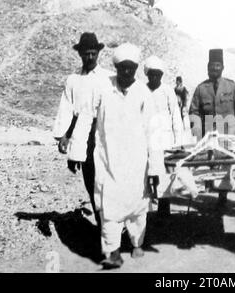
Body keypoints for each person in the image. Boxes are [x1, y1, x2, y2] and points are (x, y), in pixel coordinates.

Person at [68, 43, 163, 269]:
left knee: (137, 207)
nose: (126, 72)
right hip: (107, 159)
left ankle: (137, 242)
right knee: (108, 207)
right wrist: (76, 151)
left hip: (136, 162)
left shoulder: (143, 93)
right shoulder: (102, 88)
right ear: (116, 67)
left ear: (137, 68)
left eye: (131, 68)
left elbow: (154, 132)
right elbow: (85, 117)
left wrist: (155, 168)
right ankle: (113, 250)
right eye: (122, 67)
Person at [52, 32, 113, 227]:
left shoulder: (108, 78)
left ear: (98, 53)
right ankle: (102, 227)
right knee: (90, 182)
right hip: (83, 137)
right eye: (86, 53)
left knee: (107, 182)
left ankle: (114, 226)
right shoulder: (73, 80)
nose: (90, 57)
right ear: (80, 54)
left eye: (93, 53)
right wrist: (64, 136)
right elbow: (68, 109)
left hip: (104, 134)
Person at [189, 49, 235, 207]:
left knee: (226, 164)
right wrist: (198, 130)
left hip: (228, 133)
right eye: (212, 66)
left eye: (217, 65)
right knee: (210, 163)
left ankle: (222, 196)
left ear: (222, 67)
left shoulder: (232, 86)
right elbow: (194, 111)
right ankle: (210, 189)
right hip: (208, 135)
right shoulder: (201, 89)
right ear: (207, 67)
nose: (214, 69)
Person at [144, 56, 184, 216]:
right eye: (151, 74)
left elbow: (175, 116)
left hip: (165, 140)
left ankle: (164, 208)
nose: (154, 77)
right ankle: (145, 209)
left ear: (161, 75)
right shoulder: (141, 89)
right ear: (147, 74)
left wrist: (178, 141)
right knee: (147, 173)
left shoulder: (167, 91)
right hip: (147, 139)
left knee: (165, 174)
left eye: (157, 74)